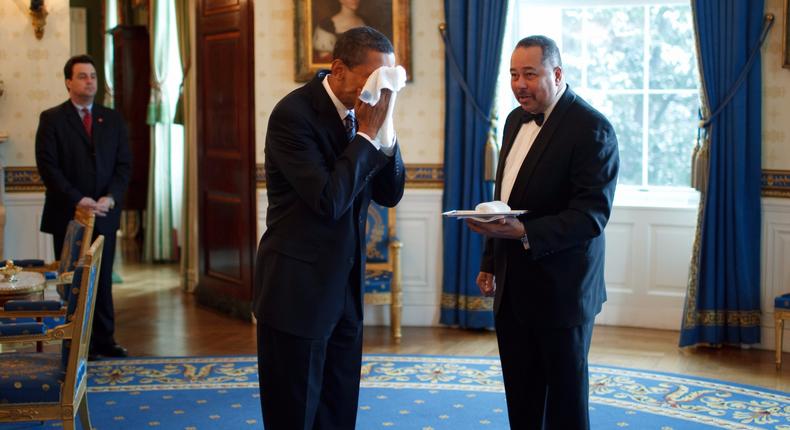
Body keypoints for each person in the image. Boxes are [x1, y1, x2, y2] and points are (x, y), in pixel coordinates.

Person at [253, 26, 405, 429]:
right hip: (297, 291)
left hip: (346, 290)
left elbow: (389, 194)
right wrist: (369, 135)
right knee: (295, 414)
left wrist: (384, 132)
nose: (381, 90)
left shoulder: (368, 114)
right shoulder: (293, 115)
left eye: (388, 80)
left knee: (338, 411)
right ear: (338, 69)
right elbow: (329, 201)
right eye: (374, 79)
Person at [465, 35, 619, 429]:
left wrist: (523, 232)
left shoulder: (592, 128)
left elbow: (590, 217)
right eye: (514, 74)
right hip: (513, 286)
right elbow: (504, 197)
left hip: (562, 292)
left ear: (557, 73)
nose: (519, 84)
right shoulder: (515, 119)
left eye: (529, 74)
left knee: (565, 404)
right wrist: (490, 260)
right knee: (522, 395)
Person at [36, 54, 132, 359]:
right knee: (73, 284)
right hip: (67, 214)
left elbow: (124, 165)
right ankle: (76, 343)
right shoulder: (51, 119)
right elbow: (48, 167)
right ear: (68, 82)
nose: (89, 81)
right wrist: (79, 199)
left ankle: (105, 341)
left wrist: (110, 197)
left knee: (102, 282)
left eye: (92, 76)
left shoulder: (112, 118)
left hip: (104, 214)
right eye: (82, 76)